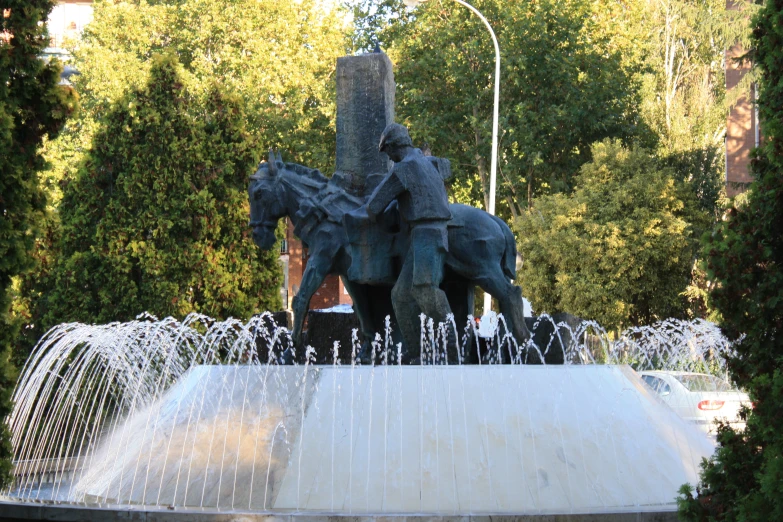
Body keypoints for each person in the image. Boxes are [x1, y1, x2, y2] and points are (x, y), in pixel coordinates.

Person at [364, 123, 454, 358]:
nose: (390, 158)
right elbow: (447, 167)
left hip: (427, 233)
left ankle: (454, 350)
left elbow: (373, 207)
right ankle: (417, 354)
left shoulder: (402, 169)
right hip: (426, 235)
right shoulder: (430, 161)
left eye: (388, 152)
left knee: (425, 289)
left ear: (394, 147)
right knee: (401, 296)